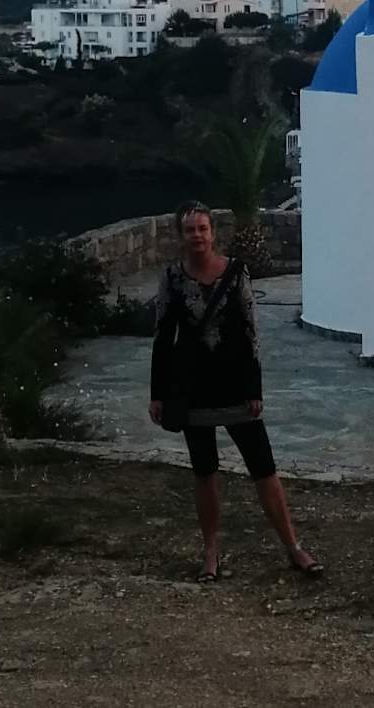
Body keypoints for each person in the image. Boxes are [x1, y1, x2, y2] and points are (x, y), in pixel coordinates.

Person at [149, 199, 323, 581]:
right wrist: (157, 393)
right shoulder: (172, 278)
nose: (197, 235)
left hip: (233, 385)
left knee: (263, 467)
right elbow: (163, 337)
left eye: (203, 228)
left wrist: (254, 389)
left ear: (212, 233)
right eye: (190, 229)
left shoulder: (236, 272)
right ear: (181, 235)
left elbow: (250, 333)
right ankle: (210, 552)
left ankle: (293, 547)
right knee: (204, 471)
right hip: (192, 388)